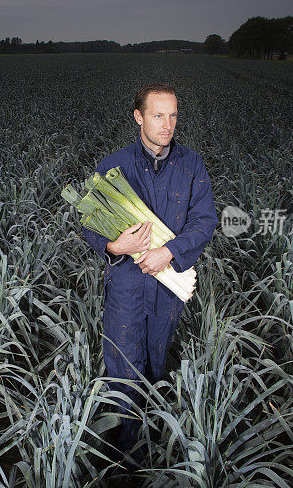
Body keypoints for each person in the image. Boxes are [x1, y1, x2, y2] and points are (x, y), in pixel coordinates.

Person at [82, 83, 217, 467]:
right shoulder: (114, 166)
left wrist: (169, 251)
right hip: (126, 285)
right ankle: (126, 456)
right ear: (139, 117)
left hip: (168, 286)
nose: (167, 124)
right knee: (123, 368)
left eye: (173, 115)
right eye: (158, 115)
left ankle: (154, 443)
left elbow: (205, 220)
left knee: (157, 364)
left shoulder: (191, 165)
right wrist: (113, 247)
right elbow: (89, 224)